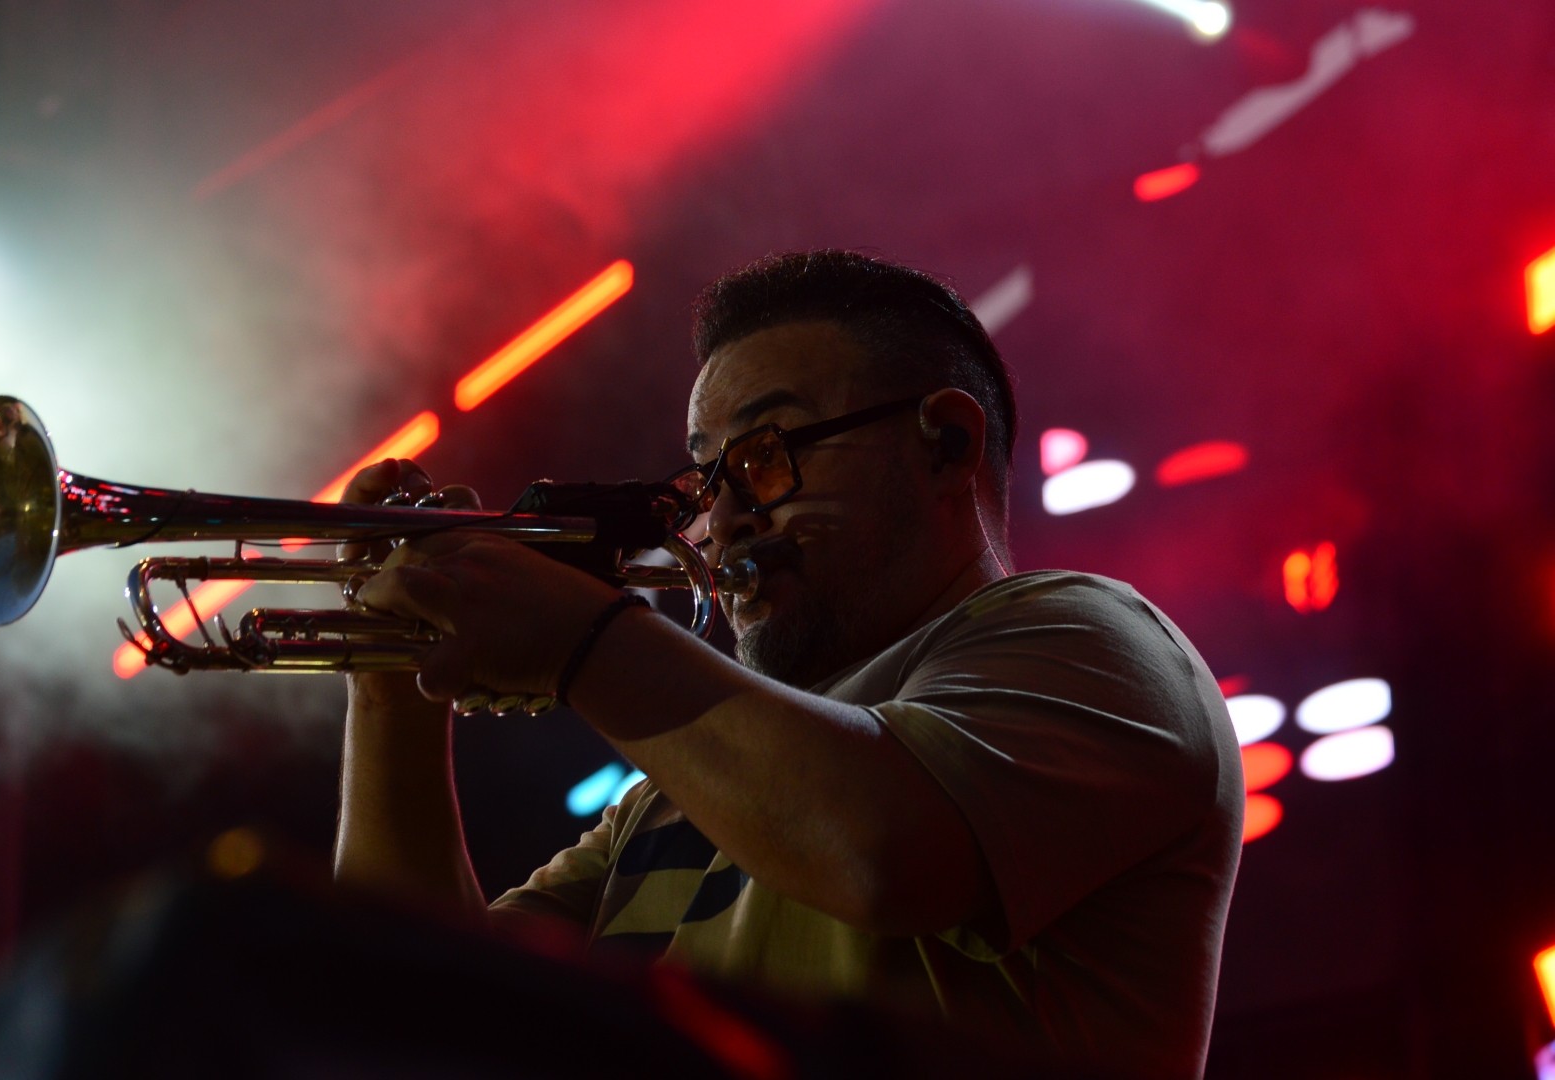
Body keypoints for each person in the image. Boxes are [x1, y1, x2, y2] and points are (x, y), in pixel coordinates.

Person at [332, 251, 1243, 1079]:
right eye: (706, 478)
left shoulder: (1097, 637)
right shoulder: (669, 800)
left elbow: (879, 854)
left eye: (767, 456)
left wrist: (587, 641)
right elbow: (409, 1024)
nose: (720, 519)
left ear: (945, 444)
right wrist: (393, 683)